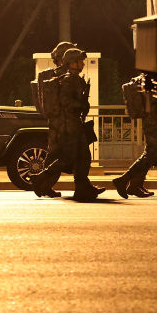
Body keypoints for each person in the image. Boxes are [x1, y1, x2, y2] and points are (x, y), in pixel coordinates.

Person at [30, 48, 104, 201]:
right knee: (68, 157)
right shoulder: (70, 79)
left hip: (72, 123)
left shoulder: (72, 78)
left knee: (83, 156)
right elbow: (66, 101)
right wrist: (81, 105)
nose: (82, 64)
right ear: (72, 63)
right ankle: (40, 178)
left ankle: (82, 188)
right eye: (80, 61)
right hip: (70, 125)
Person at [33, 41, 77, 198]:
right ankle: (42, 181)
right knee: (64, 154)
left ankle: (44, 185)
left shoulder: (47, 75)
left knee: (54, 153)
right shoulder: (64, 76)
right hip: (64, 121)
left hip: (54, 120)